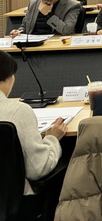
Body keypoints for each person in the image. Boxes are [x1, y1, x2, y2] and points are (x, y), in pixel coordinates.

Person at [0, 50, 67, 195]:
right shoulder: (18, 111)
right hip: (13, 201)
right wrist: (52, 138)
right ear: (9, 78)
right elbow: (38, 169)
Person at [10, 0, 81, 37]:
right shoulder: (33, 3)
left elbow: (67, 30)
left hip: (55, 42)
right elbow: (25, 27)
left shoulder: (72, 6)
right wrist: (19, 31)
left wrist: (49, 14)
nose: (43, 1)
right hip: (33, 41)